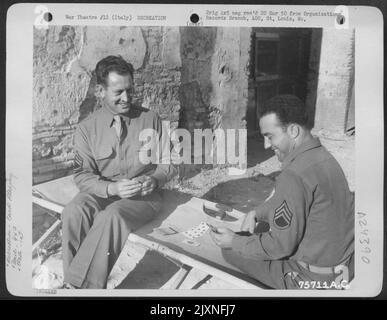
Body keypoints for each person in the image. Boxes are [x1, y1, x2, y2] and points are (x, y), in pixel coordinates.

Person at [210, 94, 354, 289]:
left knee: (230, 251)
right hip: (343, 268)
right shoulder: (324, 157)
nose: (267, 145)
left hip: (311, 278)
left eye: (270, 136)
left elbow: (280, 246)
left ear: (293, 130)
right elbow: (295, 203)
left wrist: (234, 241)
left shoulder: (294, 175)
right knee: (258, 229)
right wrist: (258, 212)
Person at [62, 55, 176, 289]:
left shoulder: (150, 119)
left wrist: (154, 179)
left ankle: (81, 289)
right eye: (118, 92)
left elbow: (170, 162)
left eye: (129, 90)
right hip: (103, 191)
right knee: (74, 211)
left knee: (111, 216)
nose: (126, 98)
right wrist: (110, 188)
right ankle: (76, 286)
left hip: (143, 197)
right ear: (100, 91)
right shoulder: (85, 129)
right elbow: (82, 175)